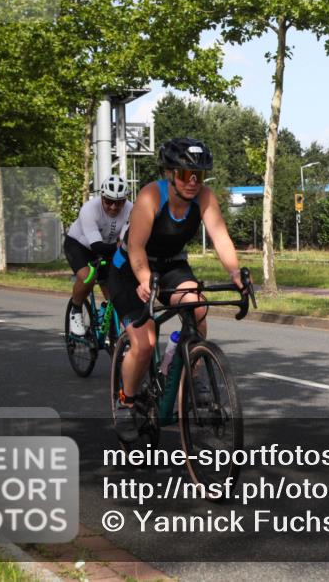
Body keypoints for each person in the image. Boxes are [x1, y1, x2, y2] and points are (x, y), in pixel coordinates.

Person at [107, 138, 248, 441]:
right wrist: (144, 279)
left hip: (171, 265)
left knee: (197, 305)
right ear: (170, 174)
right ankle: (126, 402)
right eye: (185, 174)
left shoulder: (205, 198)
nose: (193, 182)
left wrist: (235, 272)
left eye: (199, 175)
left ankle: (193, 372)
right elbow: (136, 248)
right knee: (144, 344)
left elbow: (220, 237)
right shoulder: (150, 196)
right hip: (130, 269)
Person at [64, 175, 132, 335]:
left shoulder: (131, 209)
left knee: (117, 289)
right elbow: (97, 246)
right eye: (108, 201)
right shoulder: (89, 209)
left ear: (125, 200)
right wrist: (121, 247)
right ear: (102, 197)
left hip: (109, 247)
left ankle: (108, 320)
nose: (113, 207)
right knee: (89, 276)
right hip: (80, 245)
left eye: (119, 202)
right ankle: (76, 310)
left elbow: (125, 241)